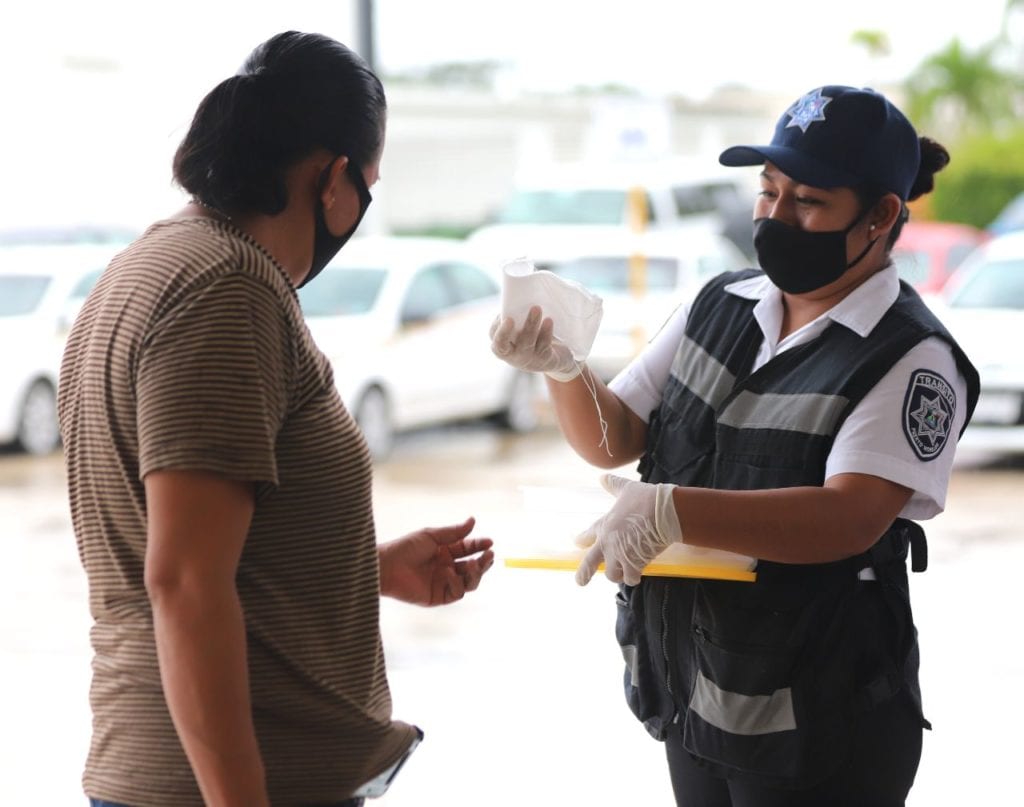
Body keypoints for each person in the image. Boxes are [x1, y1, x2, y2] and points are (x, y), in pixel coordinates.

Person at [490, 85, 979, 806]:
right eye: (768, 190)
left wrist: (675, 509)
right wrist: (565, 368)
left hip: (822, 715)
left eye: (808, 200)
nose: (777, 216)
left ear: (880, 217)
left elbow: (849, 518)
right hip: (699, 692)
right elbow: (615, 435)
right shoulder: (719, 303)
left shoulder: (909, 357)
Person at [58, 31, 495, 807]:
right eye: (368, 184)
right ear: (333, 181)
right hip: (220, 785)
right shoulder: (227, 289)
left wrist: (366, 569)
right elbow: (185, 582)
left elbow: (191, 540)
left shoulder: (150, 264)